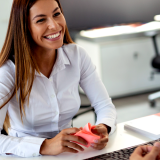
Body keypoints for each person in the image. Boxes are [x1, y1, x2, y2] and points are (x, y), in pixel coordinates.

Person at [0, 0, 116, 157]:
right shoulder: (8, 70)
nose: (54, 25)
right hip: (24, 154)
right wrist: (44, 146)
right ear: (25, 27)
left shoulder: (77, 55)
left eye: (56, 14)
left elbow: (104, 105)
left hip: (70, 152)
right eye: (41, 20)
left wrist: (104, 126)